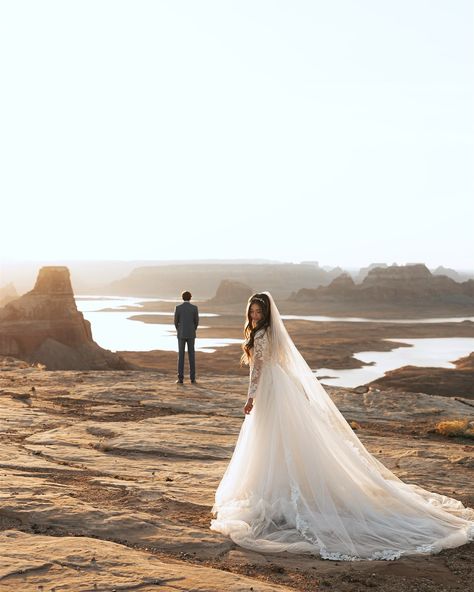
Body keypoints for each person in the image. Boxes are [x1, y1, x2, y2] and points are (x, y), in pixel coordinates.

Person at [210, 292, 474, 561]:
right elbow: (281, 364)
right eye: (252, 312)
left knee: (269, 437)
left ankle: (277, 492)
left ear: (265, 313)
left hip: (269, 390)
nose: (255, 316)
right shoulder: (270, 332)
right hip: (279, 387)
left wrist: (250, 398)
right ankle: (281, 488)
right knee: (277, 438)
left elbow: (258, 370)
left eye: (258, 312)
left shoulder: (261, 335)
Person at [174, 290, 199, 384]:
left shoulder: (178, 308)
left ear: (182, 297)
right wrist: (192, 330)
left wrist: (179, 330)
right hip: (191, 334)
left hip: (181, 334)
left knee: (181, 356)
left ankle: (180, 379)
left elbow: (176, 322)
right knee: (191, 356)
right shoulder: (194, 308)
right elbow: (196, 322)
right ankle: (192, 379)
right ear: (190, 298)